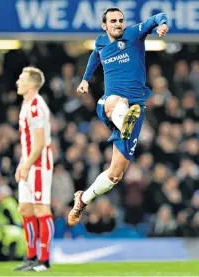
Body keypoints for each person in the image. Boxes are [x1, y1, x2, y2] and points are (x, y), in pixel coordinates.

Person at [68, 8, 169, 227]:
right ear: (104, 25)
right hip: (109, 104)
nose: (118, 23)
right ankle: (124, 121)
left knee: (115, 175)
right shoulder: (101, 42)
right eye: (113, 21)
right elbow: (95, 55)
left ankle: (82, 200)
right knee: (119, 101)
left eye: (121, 20)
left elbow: (156, 17)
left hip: (135, 109)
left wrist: (162, 25)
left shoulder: (133, 34)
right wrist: (85, 79)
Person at [14, 67, 54, 271]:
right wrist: (22, 164)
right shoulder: (26, 104)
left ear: (31, 84)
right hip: (29, 162)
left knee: (41, 209)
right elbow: (28, 142)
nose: (17, 82)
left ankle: (44, 261)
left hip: (38, 165)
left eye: (21, 79)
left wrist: (27, 165)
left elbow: (39, 144)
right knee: (25, 209)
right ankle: (31, 257)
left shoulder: (37, 106)